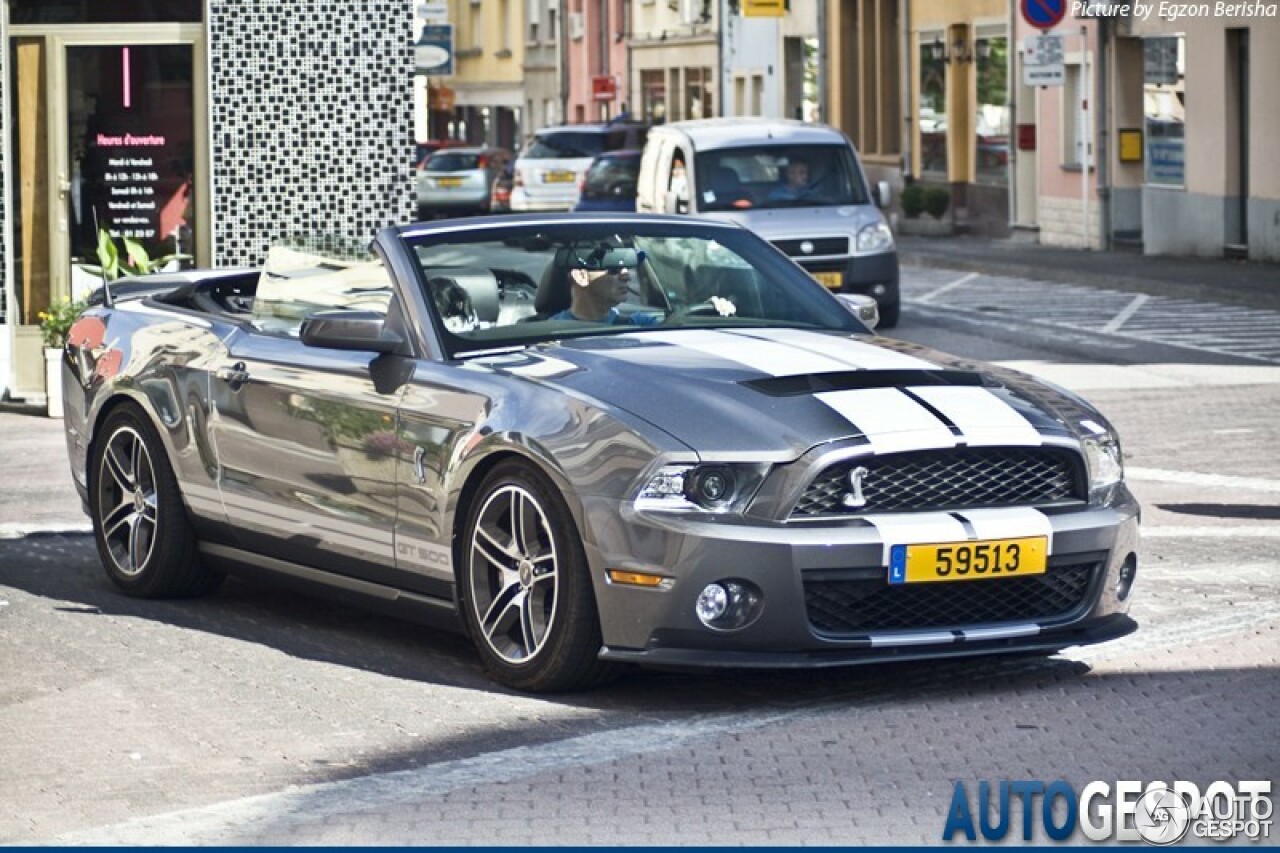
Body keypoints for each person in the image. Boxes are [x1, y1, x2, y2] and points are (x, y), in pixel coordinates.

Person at [549, 245, 662, 325]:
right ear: (581, 277)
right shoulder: (550, 336)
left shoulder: (642, 325)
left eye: (628, 267)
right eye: (613, 269)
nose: (626, 276)